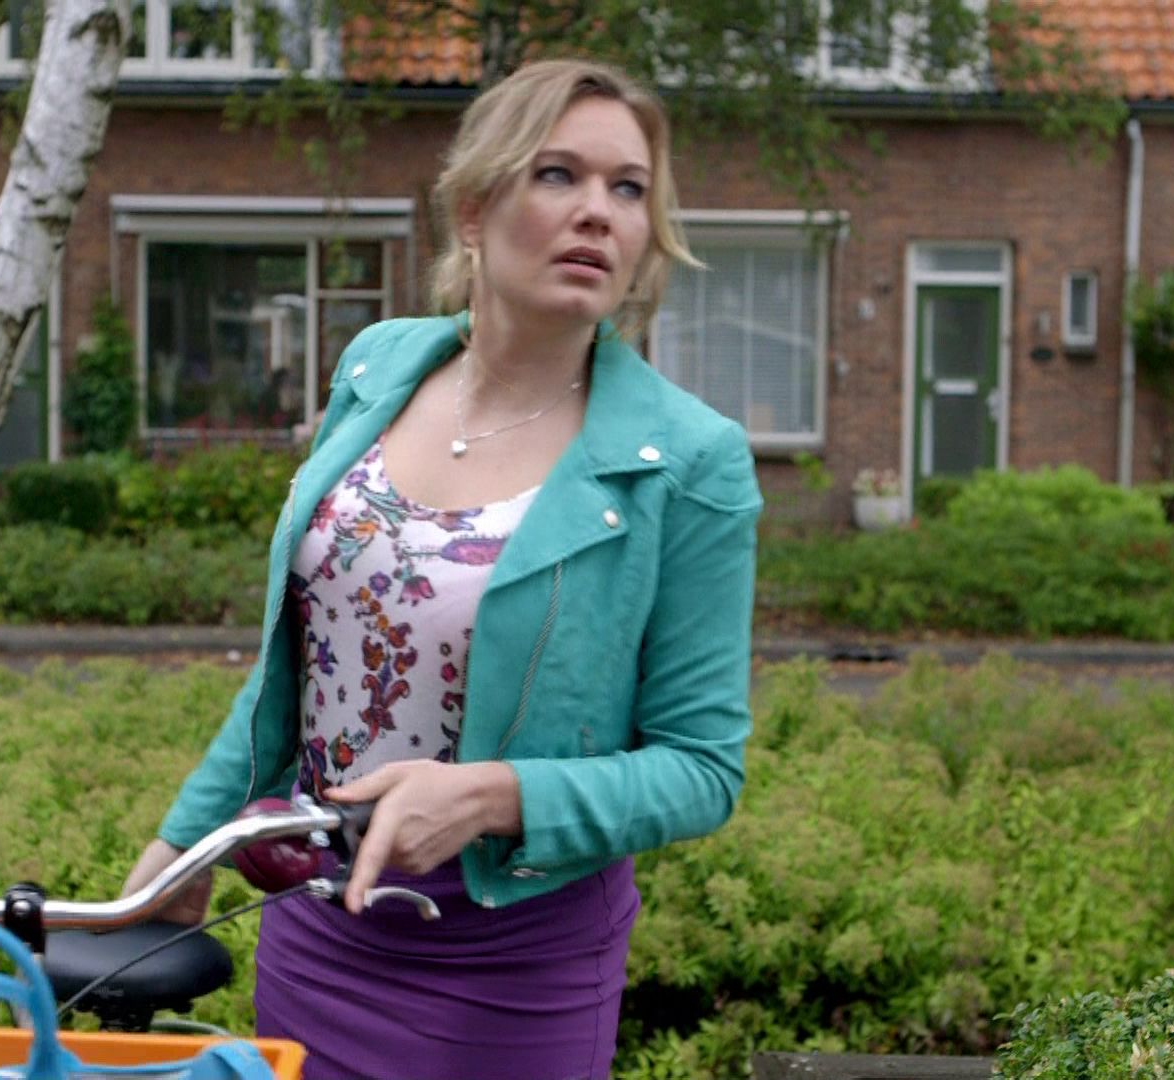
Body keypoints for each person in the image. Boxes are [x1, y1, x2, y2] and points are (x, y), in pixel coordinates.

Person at [121, 57, 761, 1080]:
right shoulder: (378, 366)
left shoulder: (689, 461)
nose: (597, 212)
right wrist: (182, 846)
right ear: (474, 208)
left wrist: (490, 796)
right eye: (558, 174)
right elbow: (300, 670)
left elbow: (702, 769)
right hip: (318, 925)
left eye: (628, 188)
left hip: (511, 965)